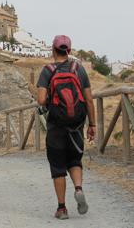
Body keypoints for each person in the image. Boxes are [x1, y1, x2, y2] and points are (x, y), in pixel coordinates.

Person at [36, 35, 96, 220]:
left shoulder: (48, 71)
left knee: (58, 166)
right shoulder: (79, 69)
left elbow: (40, 100)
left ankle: (62, 209)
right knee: (74, 160)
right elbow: (88, 100)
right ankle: (78, 188)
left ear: (53, 50)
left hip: (56, 125)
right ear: (69, 51)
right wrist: (92, 124)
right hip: (76, 124)